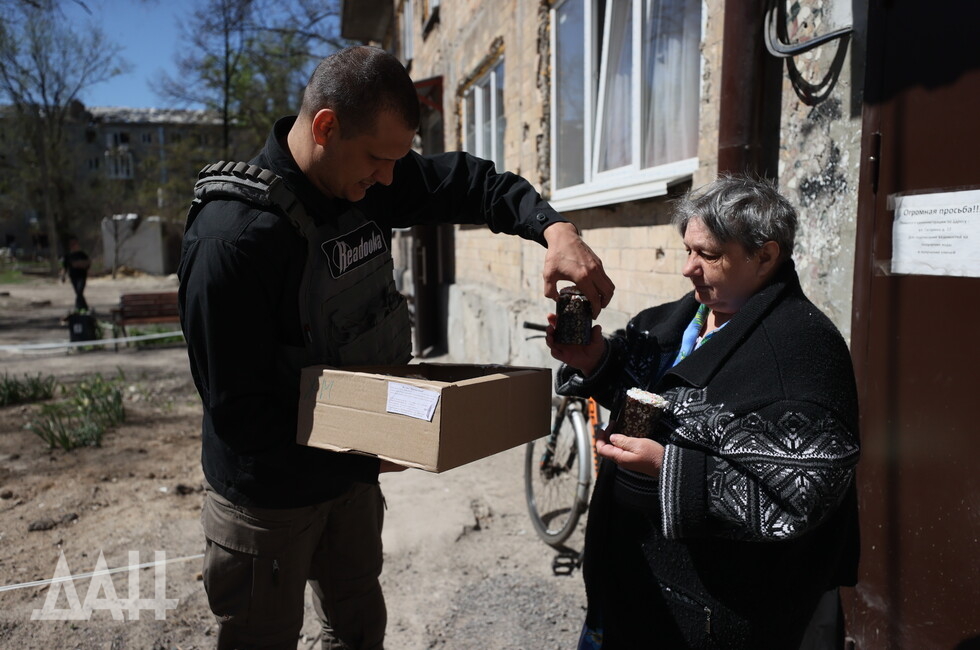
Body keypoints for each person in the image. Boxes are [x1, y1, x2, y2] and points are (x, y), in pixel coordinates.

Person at [177, 45, 614, 650]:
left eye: (395, 163)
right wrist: (372, 452)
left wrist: (554, 228)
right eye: (379, 160)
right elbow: (240, 412)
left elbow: (469, 182)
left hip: (348, 488)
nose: (389, 179)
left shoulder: (368, 177)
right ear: (327, 126)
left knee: (357, 629)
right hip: (266, 502)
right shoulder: (232, 241)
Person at [547, 174, 860, 649]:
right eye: (688, 250)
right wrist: (598, 363)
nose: (688, 269)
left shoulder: (803, 355)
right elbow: (644, 396)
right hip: (621, 596)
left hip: (704, 625)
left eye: (708, 255)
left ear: (766, 255)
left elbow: (802, 495)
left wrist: (667, 467)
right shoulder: (669, 323)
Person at [61, 236, 91, 312]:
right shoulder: (68, 256)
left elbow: (88, 263)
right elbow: (65, 267)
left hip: (82, 276)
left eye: (74, 243)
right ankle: (84, 308)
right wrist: (63, 276)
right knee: (78, 293)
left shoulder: (82, 254)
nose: (73, 245)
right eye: (71, 244)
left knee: (79, 291)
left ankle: (78, 307)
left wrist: (80, 264)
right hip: (73, 276)